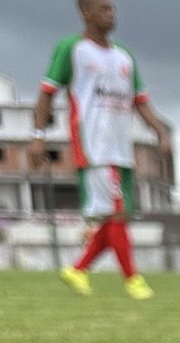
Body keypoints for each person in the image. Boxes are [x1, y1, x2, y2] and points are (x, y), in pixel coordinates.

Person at [30, 0, 170, 300]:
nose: (111, 14)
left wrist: (159, 130)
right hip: (94, 146)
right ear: (86, 12)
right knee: (117, 215)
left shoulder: (124, 56)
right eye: (104, 8)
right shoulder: (72, 49)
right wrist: (38, 136)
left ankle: (77, 270)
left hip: (122, 149)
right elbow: (46, 94)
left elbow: (140, 100)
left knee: (113, 216)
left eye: (113, 8)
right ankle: (133, 280)